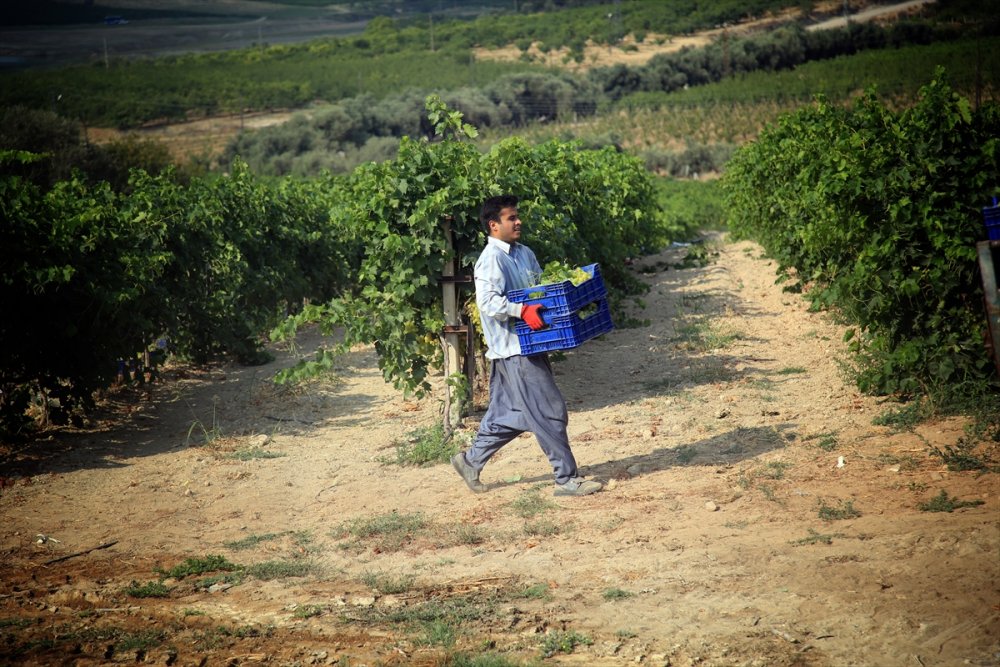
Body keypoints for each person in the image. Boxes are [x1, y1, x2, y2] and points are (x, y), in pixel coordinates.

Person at [450, 195, 603, 497]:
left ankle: (469, 461)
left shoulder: (524, 253)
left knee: (510, 416)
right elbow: (489, 302)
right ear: (494, 225)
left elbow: (538, 291)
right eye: (511, 218)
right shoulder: (490, 260)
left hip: (530, 345)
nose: (518, 222)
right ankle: (566, 479)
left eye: (517, 216)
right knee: (550, 411)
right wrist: (522, 311)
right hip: (514, 349)